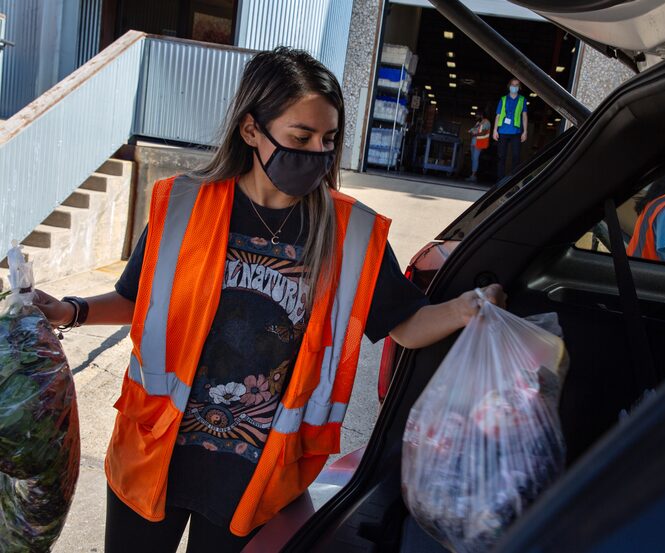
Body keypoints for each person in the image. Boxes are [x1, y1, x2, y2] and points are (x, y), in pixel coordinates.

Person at [32, 47, 505, 553]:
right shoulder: (185, 204)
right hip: (155, 449)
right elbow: (135, 299)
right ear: (251, 129)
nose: (317, 154)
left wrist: (468, 308)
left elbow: (404, 323)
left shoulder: (351, 234)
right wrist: (71, 311)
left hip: (259, 472)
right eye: (301, 138)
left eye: (328, 141)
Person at [492, 78, 528, 180]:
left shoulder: (522, 100)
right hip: (503, 131)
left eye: (517, 85)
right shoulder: (503, 99)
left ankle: (513, 179)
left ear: (519, 87)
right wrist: (495, 130)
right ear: (509, 86)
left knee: (516, 156)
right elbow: (498, 115)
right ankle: (500, 180)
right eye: (512, 84)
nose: (514, 87)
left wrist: (525, 131)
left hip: (516, 132)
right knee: (501, 157)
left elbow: (524, 116)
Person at [466, 110, 490, 182]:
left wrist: (474, 134)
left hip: (479, 143)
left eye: (477, 115)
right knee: (473, 159)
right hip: (474, 142)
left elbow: (484, 132)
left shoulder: (486, 122)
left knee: (475, 159)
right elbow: (474, 130)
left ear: (481, 115)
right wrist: (471, 131)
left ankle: (473, 176)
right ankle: (472, 175)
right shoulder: (478, 123)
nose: (476, 116)